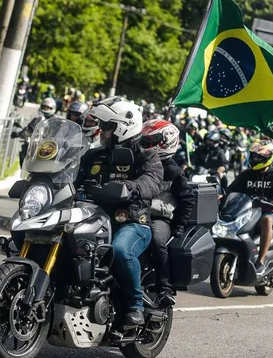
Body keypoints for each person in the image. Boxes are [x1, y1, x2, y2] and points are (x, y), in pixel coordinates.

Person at [75, 98, 163, 325]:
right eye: (102, 125)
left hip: (131, 221)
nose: (102, 131)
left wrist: (131, 187)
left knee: (122, 250)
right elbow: (73, 178)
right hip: (94, 218)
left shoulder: (146, 155)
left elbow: (152, 182)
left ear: (124, 126)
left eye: (107, 126)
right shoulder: (94, 155)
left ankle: (136, 304)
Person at [139, 119, 195, 307]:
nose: (145, 145)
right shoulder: (140, 163)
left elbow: (187, 200)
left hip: (159, 218)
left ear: (165, 143)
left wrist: (178, 227)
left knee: (156, 239)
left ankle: (164, 287)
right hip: (136, 213)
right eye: (144, 141)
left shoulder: (173, 171)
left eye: (150, 141)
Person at [226, 141, 273, 277]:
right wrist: (221, 194)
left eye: (259, 157)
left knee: (266, 221)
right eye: (253, 156)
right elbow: (232, 188)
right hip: (248, 210)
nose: (255, 160)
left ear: (268, 158)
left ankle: (260, 261)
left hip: (268, 211)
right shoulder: (246, 174)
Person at [11, 97, 57, 166]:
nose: (46, 109)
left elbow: (59, 134)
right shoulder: (37, 118)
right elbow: (29, 129)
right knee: (25, 150)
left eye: (48, 107)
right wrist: (19, 133)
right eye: (44, 107)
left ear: (52, 108)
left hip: (46, 148)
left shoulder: (55, 122)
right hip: (34, 146)